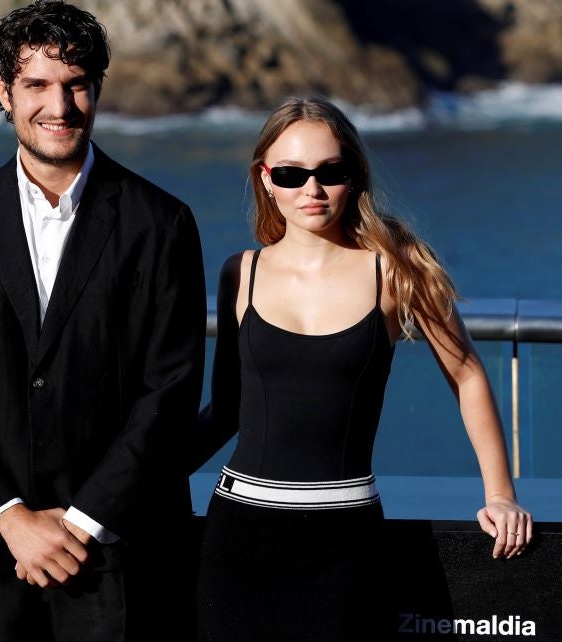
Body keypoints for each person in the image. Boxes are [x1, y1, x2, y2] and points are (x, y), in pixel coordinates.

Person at [0, 1, 207, 639]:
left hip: (118, 551)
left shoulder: (162, 223)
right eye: (37, 84)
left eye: (76, 84)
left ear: (97, 87)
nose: (60, 105)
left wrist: (81, 522)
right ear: (4, 93)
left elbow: (172, 390)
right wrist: (10, 516)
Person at [193, 96, 533, 641]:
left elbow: (467, 374)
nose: (312, 189)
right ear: (265, 178)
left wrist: (500, 494)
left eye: (332, 172)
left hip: (345, 538)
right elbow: (226, 409)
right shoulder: (241, 273)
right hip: (238, 535)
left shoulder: (396, 271)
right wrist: (129, 488)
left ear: (355, 175)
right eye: (291, 173)